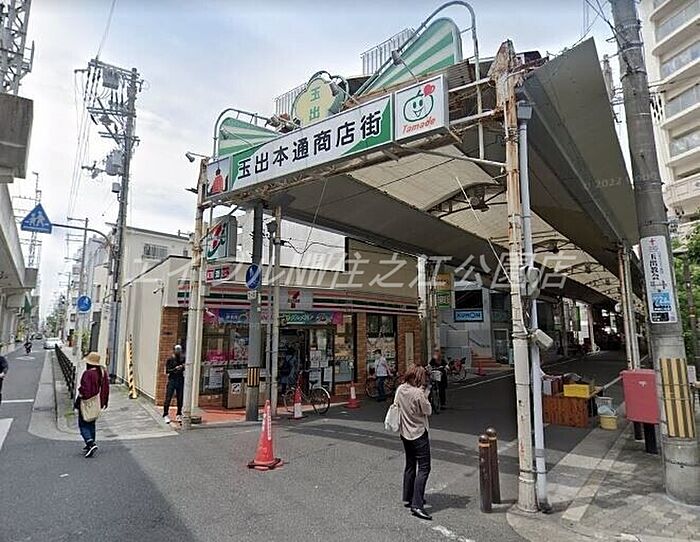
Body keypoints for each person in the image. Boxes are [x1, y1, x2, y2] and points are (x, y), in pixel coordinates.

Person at [395, 364, 433, 520]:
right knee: (424, 468)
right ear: (418, 377)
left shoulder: (400, 389)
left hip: (405, 432)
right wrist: (426, 394)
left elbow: (397, 406)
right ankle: (417, 505)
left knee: (410, 464)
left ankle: (409, 496)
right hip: (418, 433)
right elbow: (428, 410)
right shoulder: (418, 393)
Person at [74, 352, 110, 458]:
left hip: (87, 402)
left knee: (83, 423)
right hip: (97, 401)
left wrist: (80, 396)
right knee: (92, 422)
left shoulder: (88, 374)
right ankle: (91, 441)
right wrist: (104, 401)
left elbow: (84, 390)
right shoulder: (102, 372)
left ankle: (90, 443)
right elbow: (106, 388)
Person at [163, 344, 185, 424]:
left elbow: (185, 367)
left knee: (180, 398)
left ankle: (179, 414)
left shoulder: (182, 359)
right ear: (174, 350)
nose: (178, 351)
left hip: (180, 379)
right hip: (172, 380)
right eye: (177, 350)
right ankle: (165, 414)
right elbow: (167, 371)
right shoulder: (170, 359)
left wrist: (182, 367)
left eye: (179, 350)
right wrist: (175, 369)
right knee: (168, 397)